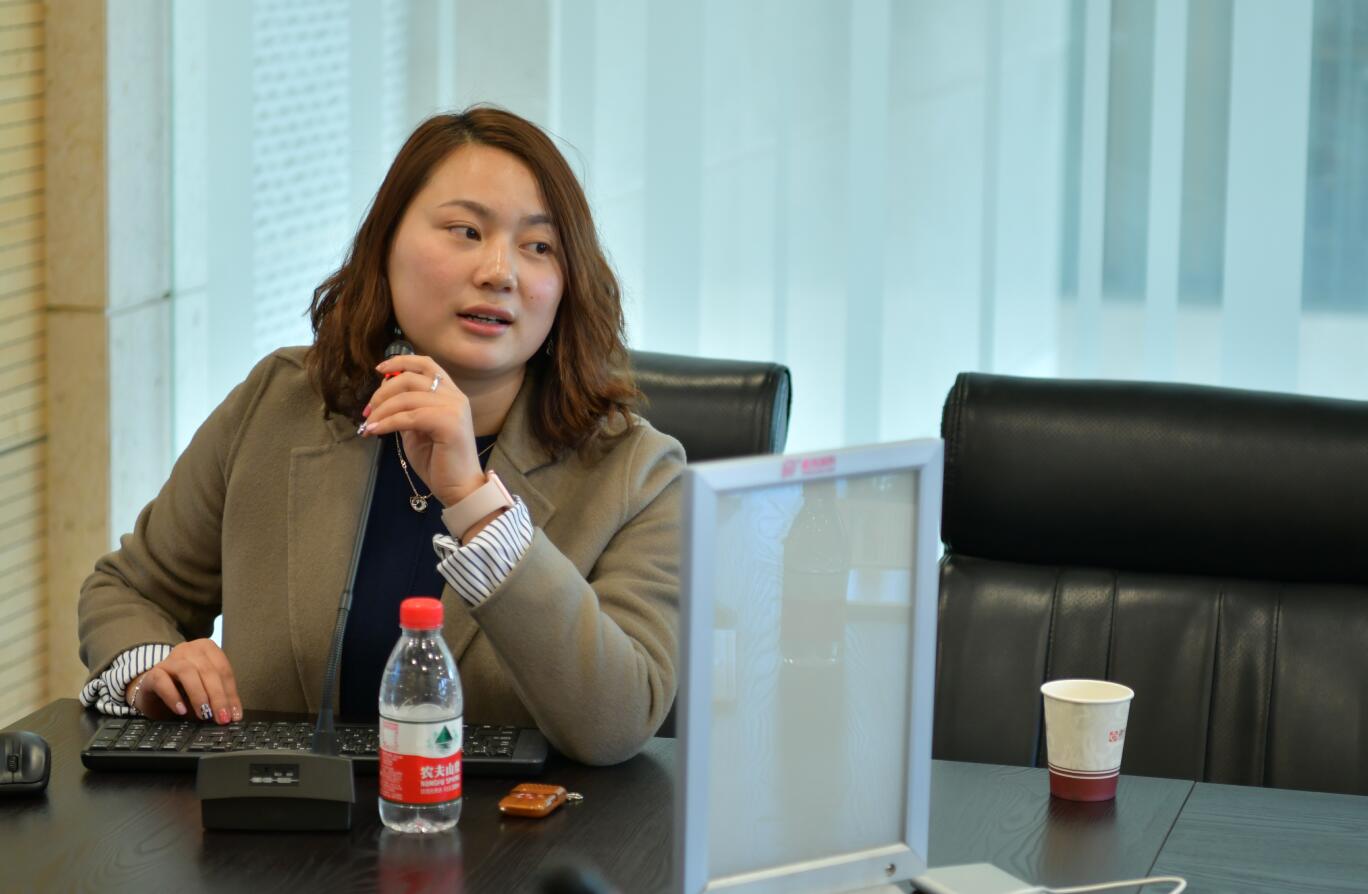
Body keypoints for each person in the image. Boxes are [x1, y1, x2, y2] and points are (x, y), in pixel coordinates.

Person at [76, 106, 683, 765]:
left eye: (539, 247)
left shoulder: (638, 473)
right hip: (279, 822)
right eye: (466, 231)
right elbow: (129, 590)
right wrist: (156, 667)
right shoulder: (280, 405)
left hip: (503, 827)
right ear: (386, 244)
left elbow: (619, 719)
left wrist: (474, 500)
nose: (499, 271)